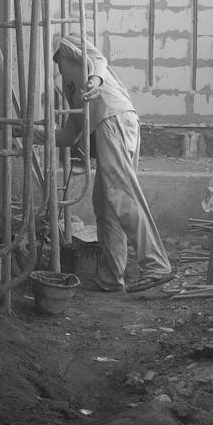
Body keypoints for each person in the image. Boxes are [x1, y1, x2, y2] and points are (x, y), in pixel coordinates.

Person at [51, 34, 173, 293]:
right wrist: (30, 132)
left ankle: (156, 264)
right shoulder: (73, 90)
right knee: (106, 204)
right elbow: (67, 136)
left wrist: (95, 79)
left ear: (62, 59)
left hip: (113, 118)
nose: (58, 72)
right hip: (117, 121)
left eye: (59, 66)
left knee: (122, 193)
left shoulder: (69, 48)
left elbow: (97, 58)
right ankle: (111, 276)